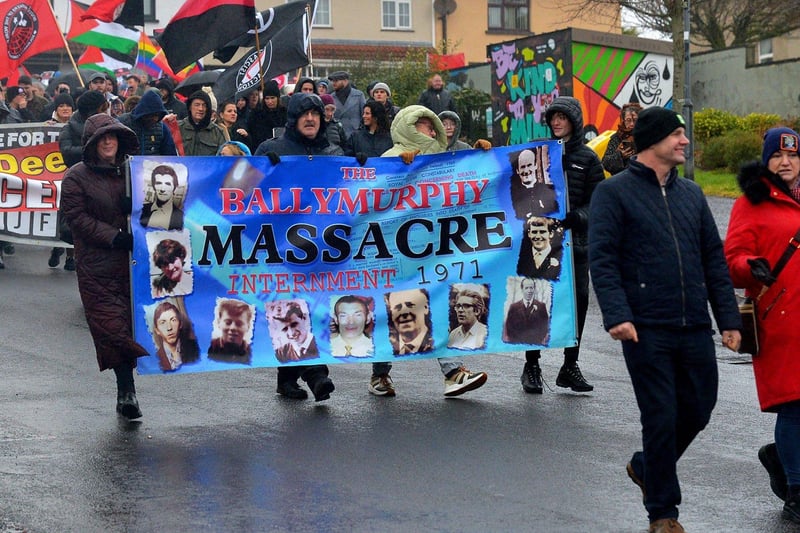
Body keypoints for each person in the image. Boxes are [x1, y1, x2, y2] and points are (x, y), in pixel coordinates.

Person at [589, 106, 742, 533]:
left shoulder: (691, 194)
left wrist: (728, 319)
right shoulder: (614, 193)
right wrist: (617, 314)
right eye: (677, 133)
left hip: (693, 324)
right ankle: (663, 512)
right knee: (660, 414)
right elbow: (602, 260)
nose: (685, 141)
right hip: (644, 326)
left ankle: (645, 465)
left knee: (699, 408)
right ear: (653, 140)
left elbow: (713, 259)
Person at [725, 126, 800, 525]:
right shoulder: (750, 204)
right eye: (777, 156)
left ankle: (781, 458)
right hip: (780, 320)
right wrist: (748, 268)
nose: (785, 162)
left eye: (792, 155)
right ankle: (796, 493)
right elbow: (733, 257)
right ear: (767, 161)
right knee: (794, 403)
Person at [60, 113, 149, 420]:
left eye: (112, 136)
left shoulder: (134, 171)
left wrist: (136, 204)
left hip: (135, 263)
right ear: (92, 144)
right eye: (102, 138)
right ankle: (126, 391)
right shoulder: (75, 177)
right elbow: (78, 219)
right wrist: (114, 238)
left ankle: (129, 387)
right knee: (112, 328)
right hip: (98, 265)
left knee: (134, 324)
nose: (108, 142)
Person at [252, 92, 340, 401]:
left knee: (312, 307)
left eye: (316, 114)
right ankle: (316, 374)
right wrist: (263, 167)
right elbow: (238, 185)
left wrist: (358, 167)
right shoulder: (271, 149)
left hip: (322, 247)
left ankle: (287, 379)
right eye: (304, 115)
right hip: (282, 246)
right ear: (293, 120)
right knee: (291, 306)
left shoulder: (333, 152)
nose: (311, 119)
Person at [520, 96, 604, 396]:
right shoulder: (537, 151)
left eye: (562, 118)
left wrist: (575, 218)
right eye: (553, 117)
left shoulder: (589, 159)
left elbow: (597, 203)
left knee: (578, 302)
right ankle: (531, 365)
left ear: (574, 122)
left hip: (575, 244)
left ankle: (570, 365)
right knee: (537, 302)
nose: (556, 122)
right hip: (541, 242)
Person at [46, 92, 77, 271]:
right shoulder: (47, 126)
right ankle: (57, 248)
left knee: (71, 215)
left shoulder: (77, 125)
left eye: (68, 106)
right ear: (56, 109)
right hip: (49, 179)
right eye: (61, 106)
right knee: (54, 214)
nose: (65, 109)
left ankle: (70, 257)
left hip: (68, 176)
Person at [118, 88, 178, 157]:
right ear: (143, 113)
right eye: (152, 115)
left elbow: (170, 156)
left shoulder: (162, 128)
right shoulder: (122, 123)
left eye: (157, 115)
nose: (155, 119)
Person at [59, 91, 109, 167]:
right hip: (81, 173)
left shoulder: (110, 125)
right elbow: (67, 152)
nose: (105, 113)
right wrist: (93, 150)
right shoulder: (68, 129)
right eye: (102, 110)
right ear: (92, 112)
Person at [510, 147, 558, 219]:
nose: (526, 171)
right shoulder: (512, 195)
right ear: (517, 170)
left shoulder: (548, 190)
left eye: (529, 165)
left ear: (535, 165)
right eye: (522, 167)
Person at [151, 301, 199, 372]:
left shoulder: (194, 349)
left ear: (180, 324)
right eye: (163, 323)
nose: (169, 328)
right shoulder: (155, 358)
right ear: (157, 330)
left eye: (173, 320)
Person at [175, 90, 227, 156]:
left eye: (204, 105)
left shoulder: (217, 132)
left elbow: (223, 158)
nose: (201, 109)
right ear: (190, 107)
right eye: (197, 105)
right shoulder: (178, 128)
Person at [504, 277, 549, 346]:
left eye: (531, 288)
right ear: (522, 289)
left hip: (535, 344)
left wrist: (537, 340)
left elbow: (544, 326)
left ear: (534, 289)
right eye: (526, 288)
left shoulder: (541, 306)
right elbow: (509, 327)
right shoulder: (514, 307)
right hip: (518, 344)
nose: (529, 291)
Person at [207, 299, 254, 364]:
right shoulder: (210, 348)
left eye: (239, 324)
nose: (233, 328)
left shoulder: (253, 352)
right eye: (228, 322)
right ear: (218, 322)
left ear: (248, 326)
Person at [516, 215, 562, 280]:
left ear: (551, 234)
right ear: (529, 234)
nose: (537, 236)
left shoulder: (560, 256)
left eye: (542, 232)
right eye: (534, 232)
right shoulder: (521, 258)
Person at [602, 102, 642, 175]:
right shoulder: (617, 138)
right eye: (628, 120)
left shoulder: (647, 136)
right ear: (623, 120)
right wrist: (620, 155)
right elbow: (605, 163)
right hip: (620, 180)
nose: (632, 124)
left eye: (635, 120)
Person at [140, 164, 184, 230]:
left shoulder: (181, 217)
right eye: (158, 183)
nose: (162, 189)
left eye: (167, 184)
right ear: (154, 186)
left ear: (174, 188)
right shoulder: (141, 210)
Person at [246, 80, 286, 149]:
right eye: (267, 98)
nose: (270, 101)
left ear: (278, 98)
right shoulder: (256, 115)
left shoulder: (284, 113)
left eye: (272, 98)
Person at [328, 71, 365, 139]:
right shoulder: (331, 97)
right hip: (337, 136)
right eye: (333, 81)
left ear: (345, 81)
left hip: (355, 135)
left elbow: (364, 115)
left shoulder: (359, 95)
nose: (333, 83)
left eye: (336, 81)